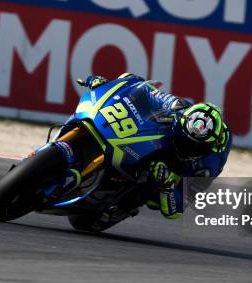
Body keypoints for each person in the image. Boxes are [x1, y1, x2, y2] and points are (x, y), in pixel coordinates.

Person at [78, 74, 233, 220]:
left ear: (208, 146)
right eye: (185, 138)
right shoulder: (177, 107)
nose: (187, 146)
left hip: (176, 170)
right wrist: (107, 85)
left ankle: (122, 205)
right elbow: (140, 87)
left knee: (153, 199)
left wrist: (168, 184)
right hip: (166, 140)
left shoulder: (209, 166)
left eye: (195, 146)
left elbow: (177, 210)